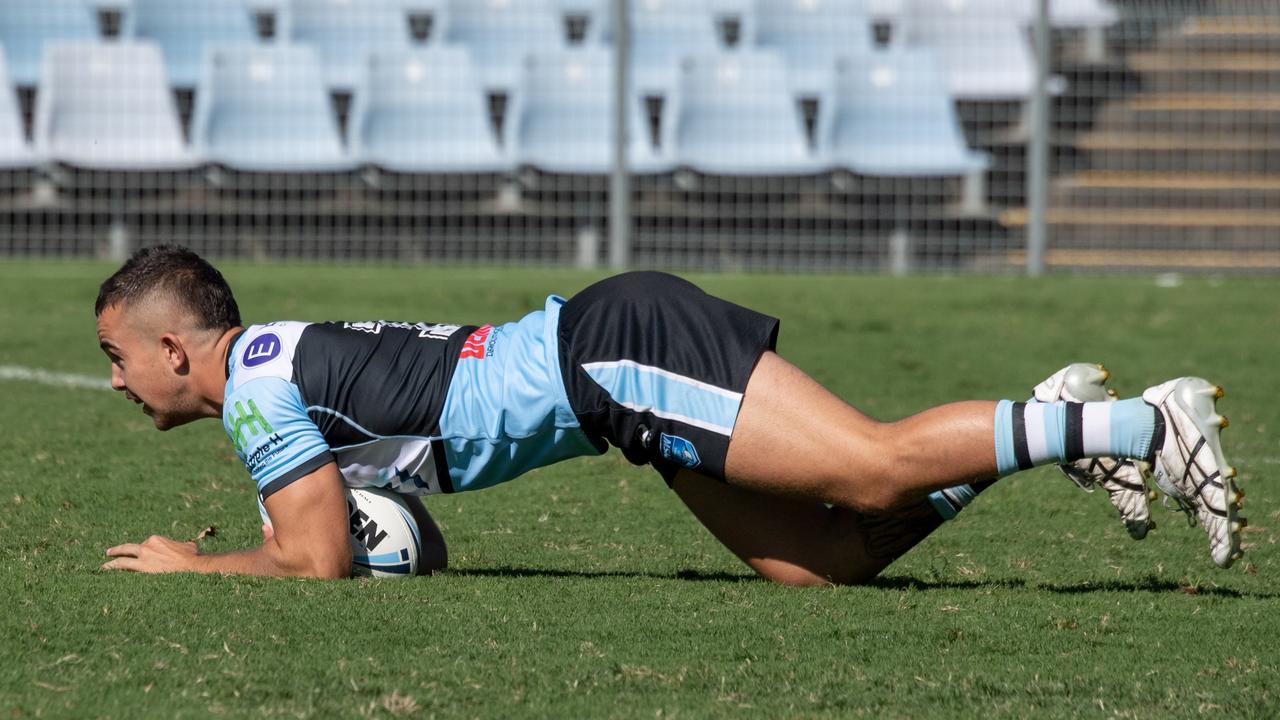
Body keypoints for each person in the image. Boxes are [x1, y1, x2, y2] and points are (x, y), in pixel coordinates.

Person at [96, 245, 1245, 584]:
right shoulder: (266, 364)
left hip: (617, 356)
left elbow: (316, 559)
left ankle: (1143, 427)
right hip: (612, 396)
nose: (113, 383)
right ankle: (1048, 421)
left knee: (877, 469)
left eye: (114, 358)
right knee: (822, 567)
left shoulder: (251, 389)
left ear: (168, 347)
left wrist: (189, 567)